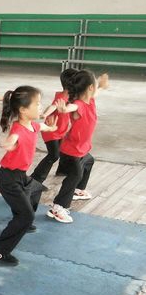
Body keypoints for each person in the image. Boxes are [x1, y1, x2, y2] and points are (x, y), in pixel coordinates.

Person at [0, 86, 57, 265]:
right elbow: (13, 138)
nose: (41, 107)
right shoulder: (18, 129)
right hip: (8, 179)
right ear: (23, 110)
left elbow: (41, 126)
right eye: (38, 104)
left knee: (36, 189)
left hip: (20, 176)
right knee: (26, 216)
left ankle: (22, 219)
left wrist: (51, 128)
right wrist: (8, 144)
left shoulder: (32, 125)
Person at [47, 71, 108, 224]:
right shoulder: (78, 105)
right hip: (71, 150)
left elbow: (96, 93)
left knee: (89, 161)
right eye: (94, 85)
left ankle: (78, 190)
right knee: (75, 175)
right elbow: (71, 107)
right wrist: (63, 110)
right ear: (89, 88)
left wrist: (101, 86)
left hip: (81, 149)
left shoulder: (90, 100)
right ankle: (58, 207)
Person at [30, 68, 79, 186]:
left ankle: (62, 170)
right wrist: (45, 114)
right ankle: (36, 179)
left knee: (64, 150)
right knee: (53, 155)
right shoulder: (61, 96)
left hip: (60, 130)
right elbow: (53, 106)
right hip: (50, 130)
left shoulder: (72, 97)